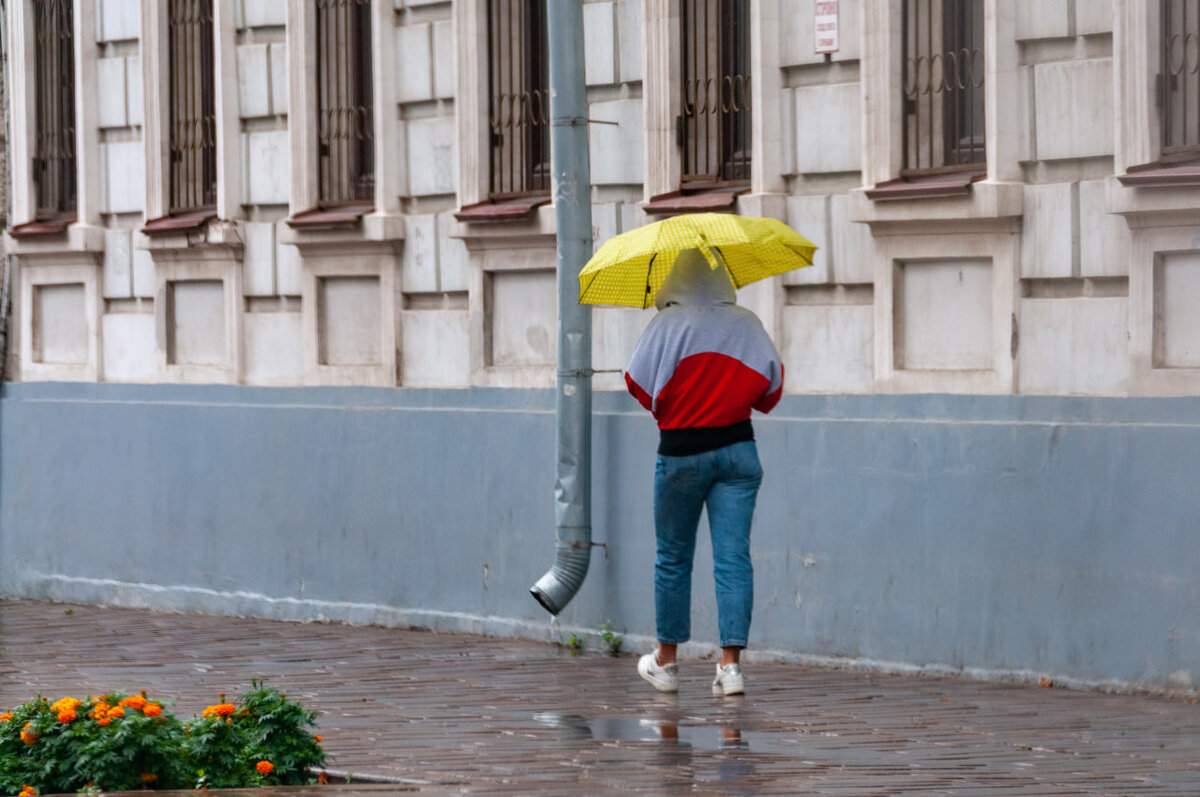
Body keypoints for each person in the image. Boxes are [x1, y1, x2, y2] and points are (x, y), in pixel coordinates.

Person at [624, 247, 783, 696]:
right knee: (734, 558)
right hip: (738, 451)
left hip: (680, 453)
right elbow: (771, 392)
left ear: (673, 281)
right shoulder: (747, 323)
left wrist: (676, 405)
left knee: (673, 557)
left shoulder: (664, 326)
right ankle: (730, 668)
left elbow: (636, 384)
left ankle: (666, 663)